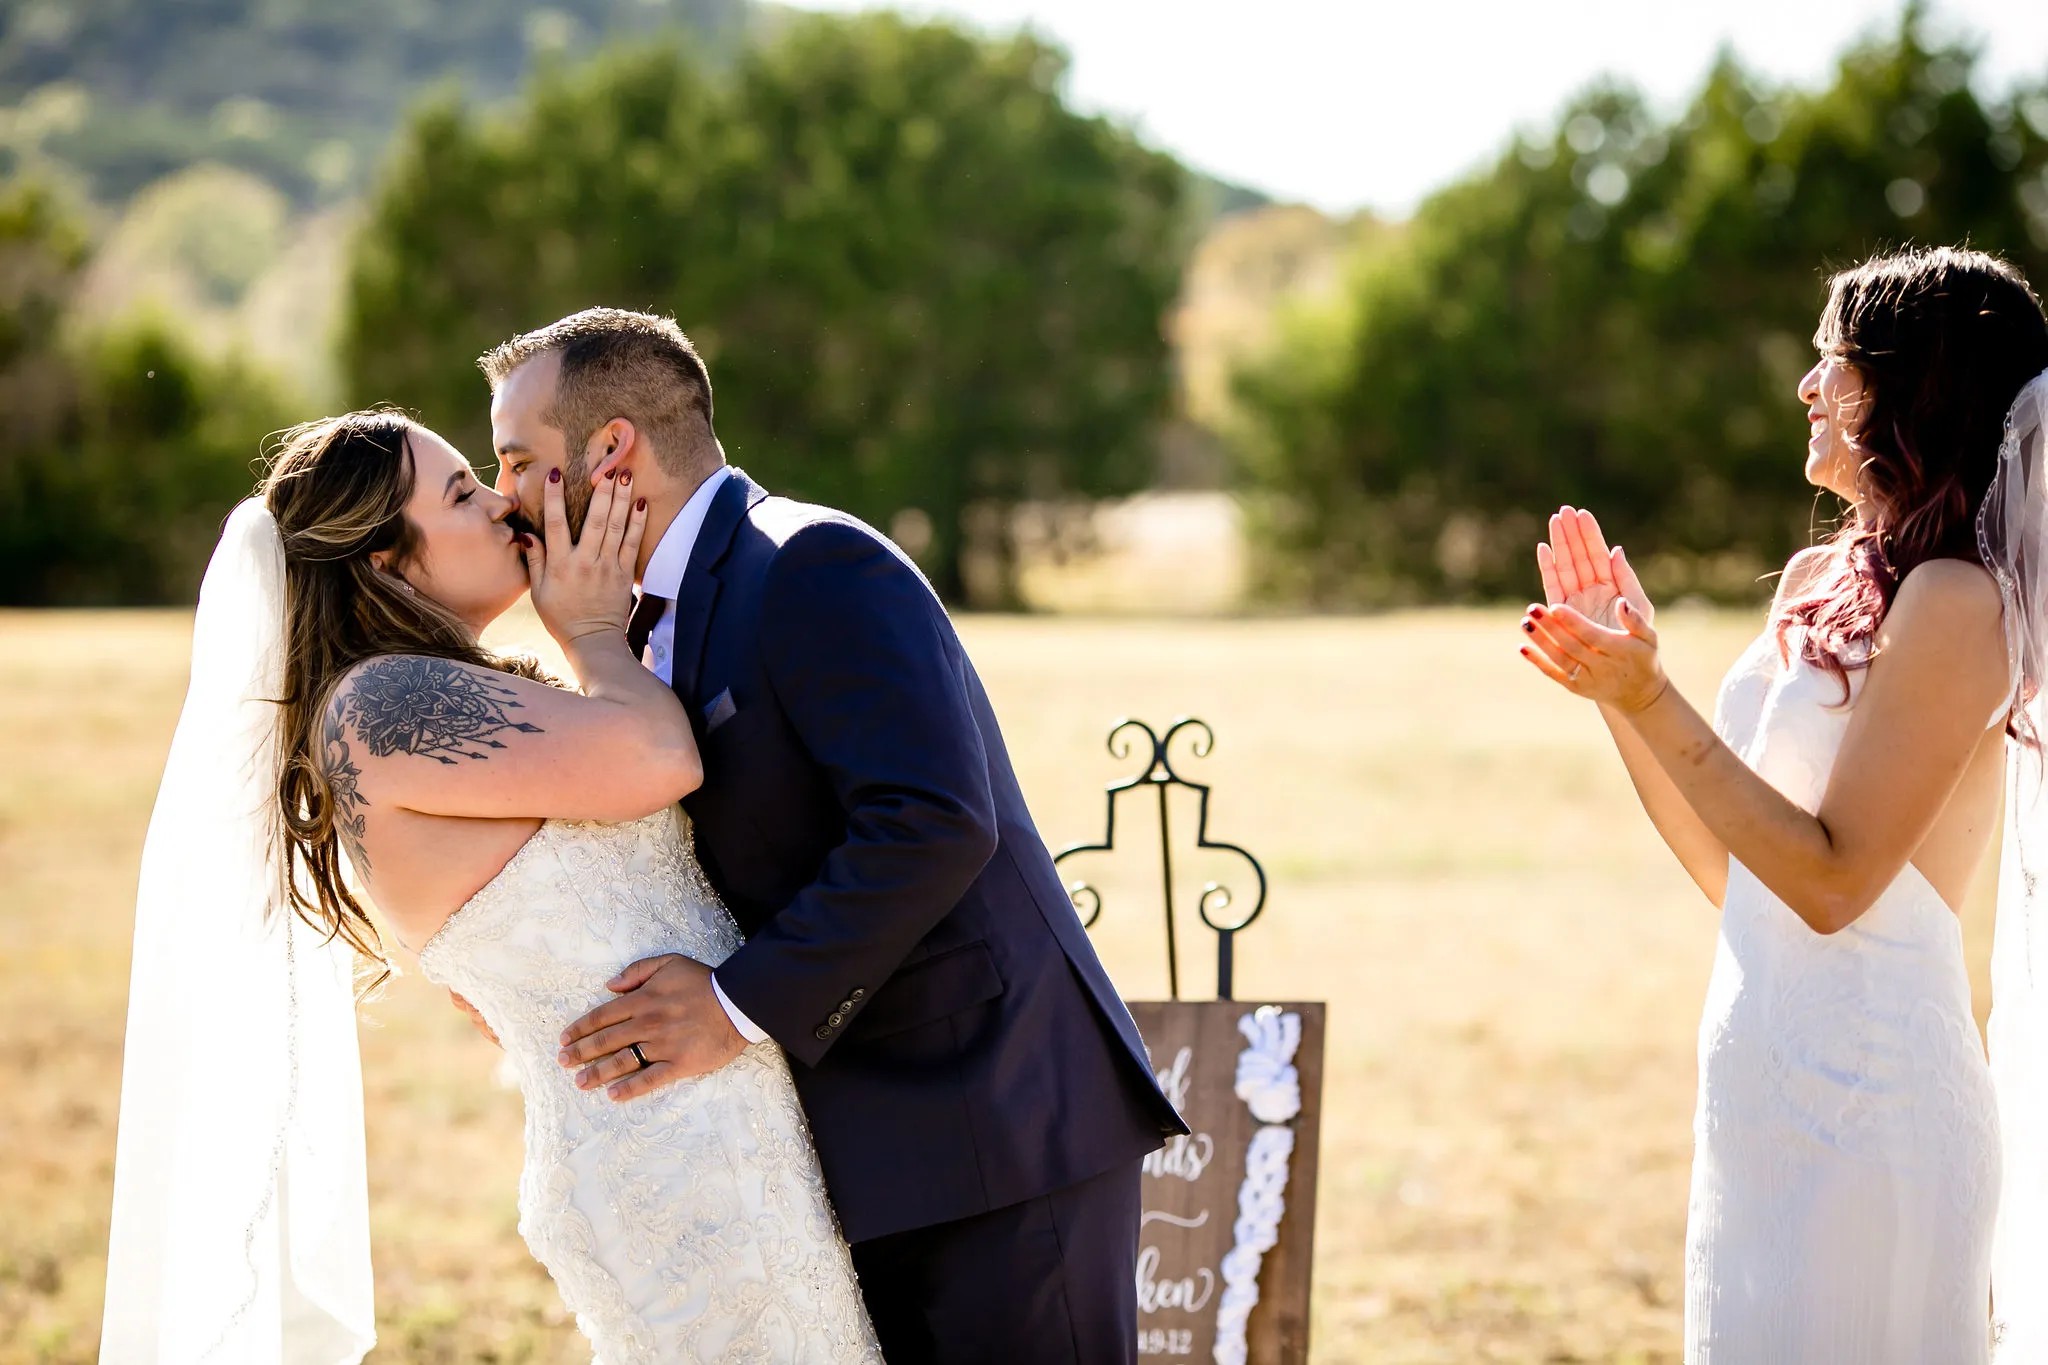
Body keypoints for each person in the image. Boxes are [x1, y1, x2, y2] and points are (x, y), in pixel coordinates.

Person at [482, 309, 1186, 1364]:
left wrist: (732, 1004)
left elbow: (934, 821)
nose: (504, 500)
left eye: (518, 462)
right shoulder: (646, 617)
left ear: (611, 450)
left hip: (990, 1123)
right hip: (863, 1141)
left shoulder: (808, 562)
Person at [1518, 245, 2048, 1362]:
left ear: (1914, 386)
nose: (1806, 386)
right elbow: (1736, 879)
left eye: (1834, 362)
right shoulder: (1816, 582)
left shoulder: (1956, 602)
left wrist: (1654, 694)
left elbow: (1829, 881)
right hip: (1757, 1090)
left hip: (1876, 1115)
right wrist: (1616, 688)